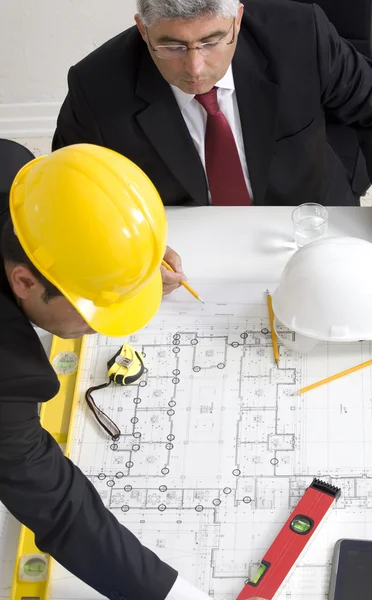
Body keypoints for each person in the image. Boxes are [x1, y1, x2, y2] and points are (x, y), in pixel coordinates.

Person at [0, 143, 266, 600]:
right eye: (94, 310)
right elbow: (61, 510)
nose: (94, 329)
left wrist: (128, 261)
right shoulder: (8, 375)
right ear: (25, 281)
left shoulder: (15, 169)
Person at [53, 0, 372, 212]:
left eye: (211, 42)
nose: (194, 68)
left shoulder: (303, 36)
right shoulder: (95, 86)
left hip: (311, 217)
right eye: (172, 46)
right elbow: (68, 193)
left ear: (237, 20)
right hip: (186, 243)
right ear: (143, 30)